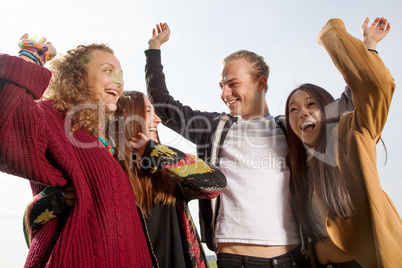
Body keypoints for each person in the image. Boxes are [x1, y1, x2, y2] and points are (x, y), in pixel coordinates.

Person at [146, 23, 321, 267]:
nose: (224, 93)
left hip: (292, 259)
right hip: (234, 260)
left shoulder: (290, 129)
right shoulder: (216, 128)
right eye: (221, 86)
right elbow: (164, 106)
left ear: (261, 83)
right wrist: (154, 51)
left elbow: (349, 118)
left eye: (232, 84)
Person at [24, 90, 227, 268]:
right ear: (126, 120)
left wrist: (156, 152)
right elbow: (31, 221)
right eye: (148, 112)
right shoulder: (103, 175)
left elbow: (215, 183)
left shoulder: (168, 173)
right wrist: (59, 199)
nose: (158, 120)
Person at [0, 36, 153, 267]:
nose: (119, 82)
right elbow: (7, 125)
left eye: (121, 75)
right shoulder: (52, 116)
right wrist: (32, 54)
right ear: (79, 75)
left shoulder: (97, 139)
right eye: (108, 70)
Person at [285, 17, 402, 267]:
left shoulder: (352, 133)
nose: (302, 113)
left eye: (311, 104)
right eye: (293, 110)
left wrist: (363, 43)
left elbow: (370, 87)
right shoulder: (296, 165)